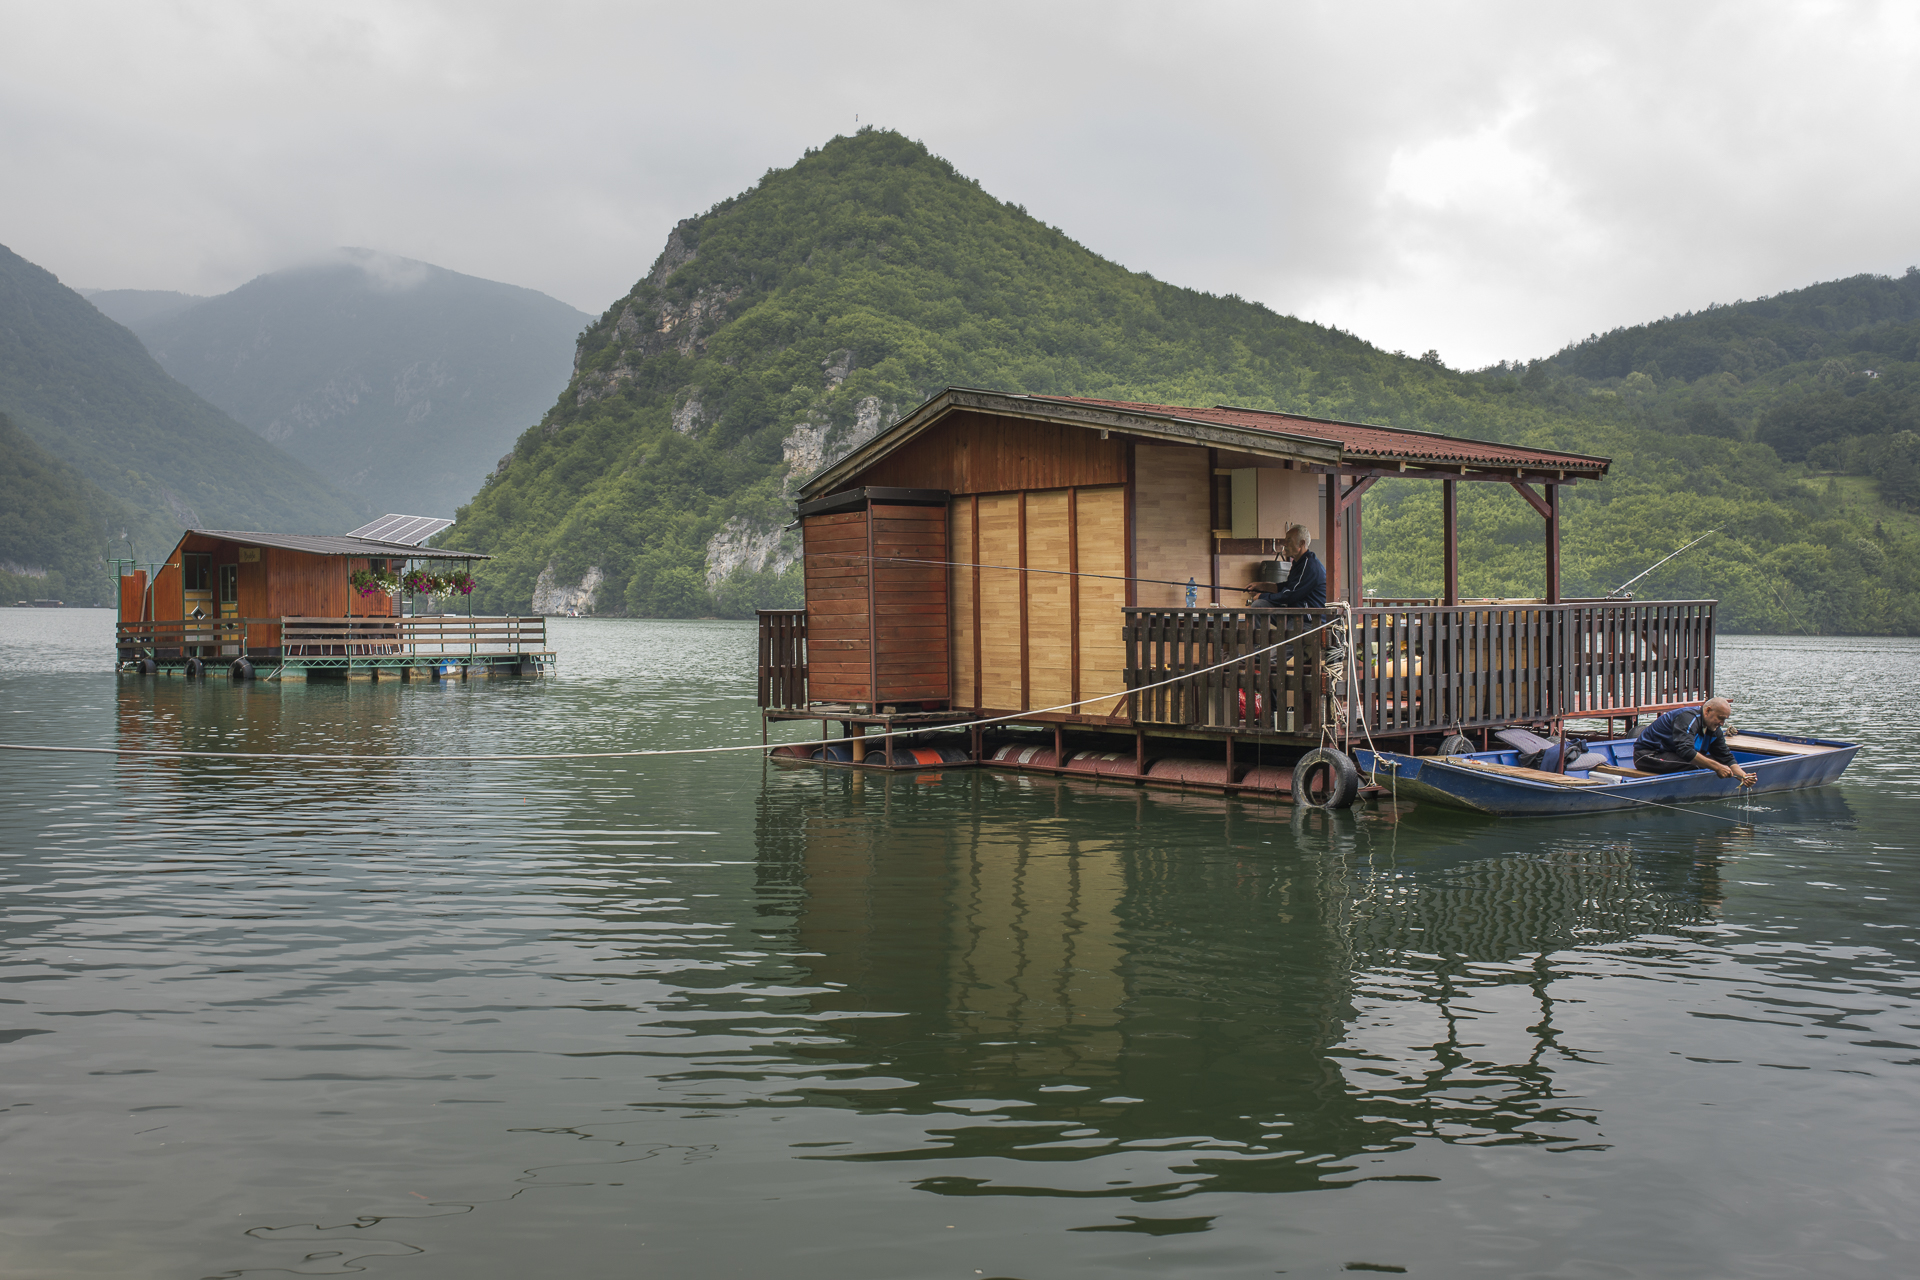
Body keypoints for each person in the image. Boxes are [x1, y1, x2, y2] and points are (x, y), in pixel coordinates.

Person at [1633, 697, 1755, 784]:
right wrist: (1717, 768)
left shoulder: (1714, 727)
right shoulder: (1688, 718)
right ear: (1707, 711)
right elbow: (1685, 750)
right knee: (1704, 765)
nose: (1722, 724)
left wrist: (1743, 776)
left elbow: (1725, 757)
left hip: (1671, 755)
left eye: (1725, 720)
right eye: (1720, 718)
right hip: (1647, 756)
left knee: (1715, 762)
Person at [1246, 525, 1326, 609]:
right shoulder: (1299, 562)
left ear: (1301, 543)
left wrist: (1262, 596)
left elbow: (1291, 594)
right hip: (1296, 614)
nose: (1284, 544)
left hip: (1309, 619)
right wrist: (1264, 586)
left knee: (1259, 604)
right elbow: (1288, 586)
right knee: (1260, 605)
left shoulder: (1309, 565)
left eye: (1289, 540)